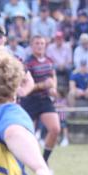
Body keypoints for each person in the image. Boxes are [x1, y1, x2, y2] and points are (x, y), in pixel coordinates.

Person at [21, 36, 60, 164]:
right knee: (27, 136)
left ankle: (44, 161)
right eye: (37, 43)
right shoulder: (27, 63)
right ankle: (23, 164)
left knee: (55, 129)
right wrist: (43, 85)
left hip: (44, 99)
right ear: (32, 46)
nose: (40, 46)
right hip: (29, 100)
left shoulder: (49, 61)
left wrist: (53, 88)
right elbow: (24, 87)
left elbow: (52, 78)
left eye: (42, 43)